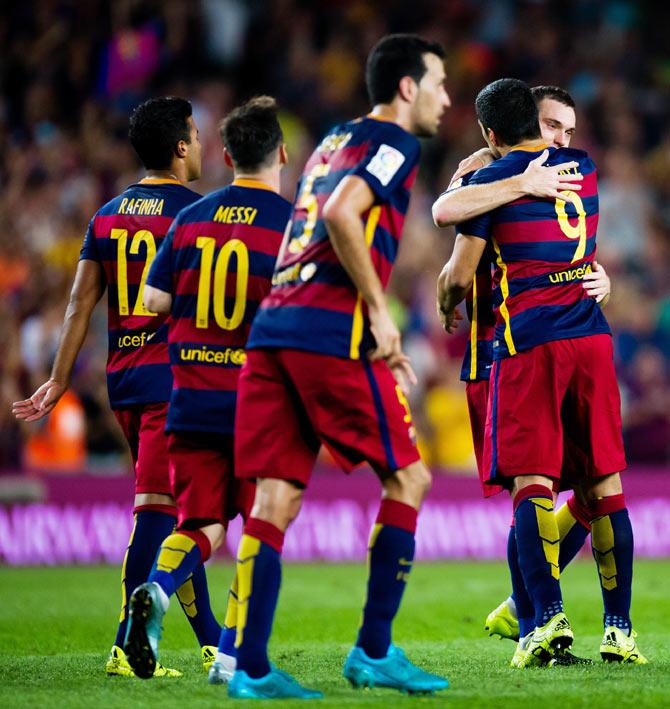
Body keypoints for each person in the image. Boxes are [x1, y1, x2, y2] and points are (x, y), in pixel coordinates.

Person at [224, 34, 451, 700]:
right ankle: (374, 651)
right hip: (331, 330)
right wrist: (380, 313)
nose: (445, 97)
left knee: (276, 498)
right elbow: (340, 212)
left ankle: (251, 668)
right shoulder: (395, 140)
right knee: (408, 476)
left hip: (276, 325)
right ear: (407, 88)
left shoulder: (331, 139)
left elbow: (317, 209)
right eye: (437, 84)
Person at [436, 78, 646, 667]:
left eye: (569, 131)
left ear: (493, 131)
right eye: (553, 125)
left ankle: (539, 619)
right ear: (532, 119)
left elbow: (450, 243)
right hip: (579, 343)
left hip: (522, 344)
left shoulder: (492, 181)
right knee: (596, 484)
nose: (561, 139)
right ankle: (605, 626)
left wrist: (445, 295)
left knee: (534, 484)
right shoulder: (576, 168)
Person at [12, 97, 222, 677]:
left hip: (124, 380)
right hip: (175, 379)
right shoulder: (198, 212)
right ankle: (126, 644)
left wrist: (57, 378)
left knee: (176, 507)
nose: (202, 145)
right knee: (159, 510)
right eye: (197, 136)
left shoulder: (106, 214)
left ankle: (212, 639)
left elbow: (81, 300)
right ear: (180, 147)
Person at [122, 96, 291, 684]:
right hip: (253, 401)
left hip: (189, 396)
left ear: (224, 155)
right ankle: (233, 656)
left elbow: (153, 300)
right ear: (283, 154)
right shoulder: (290, 224)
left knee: (200, 524)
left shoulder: (193, 218)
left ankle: (159, 592)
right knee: (261, 525)